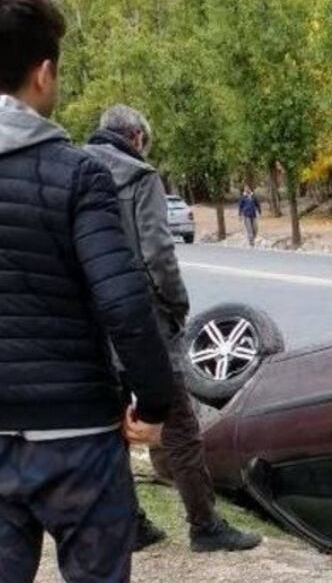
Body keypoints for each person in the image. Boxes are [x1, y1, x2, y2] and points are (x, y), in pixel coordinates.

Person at [0, 0, 174, 582]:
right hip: (78, 437)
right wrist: (154, 405)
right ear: (44, 73)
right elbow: (125, 303)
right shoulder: (79, 176)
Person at [85, 105, 263, 553]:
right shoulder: (140, 178)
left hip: (92, 323)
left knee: (110, 429)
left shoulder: (75, 168)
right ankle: (205, 527)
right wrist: (176, 306)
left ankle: (130, 524)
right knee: (180, 424)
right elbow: (158, 255)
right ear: (137, 138)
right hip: (143, 323)